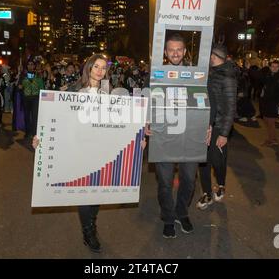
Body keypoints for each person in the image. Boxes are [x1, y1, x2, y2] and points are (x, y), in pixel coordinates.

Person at [32, 54, 145, 253]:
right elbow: (57, 118)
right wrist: (42, 138)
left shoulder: (110, 93)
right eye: (96, 67)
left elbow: (120, 123)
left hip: (100, 148)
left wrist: (136, 141)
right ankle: (89, 231)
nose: (100, 71)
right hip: (78, 148)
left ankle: (91, 221)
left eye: (103, 68)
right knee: (84, 193)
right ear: (89, 68)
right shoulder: (72, 90)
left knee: (95, 192)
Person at [146, 33, 200, 239]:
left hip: (190, 137)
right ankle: (168, 218)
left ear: (185, 51)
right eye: (171, 49)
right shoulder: (155, 75)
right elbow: (146, 100)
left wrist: (209, 125)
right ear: (165, 52)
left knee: (188, 180)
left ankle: (182, 212)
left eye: (179, 49)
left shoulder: (196, 74)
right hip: (163, 137)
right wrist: (146, 122)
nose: (175, 53)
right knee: (165, 183)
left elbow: (206, 100)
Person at [196, 45, 237, 209]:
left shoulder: (228, 76)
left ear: (214, 56)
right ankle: (206, 193)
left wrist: (224, 134)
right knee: (203, 160)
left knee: (218, 161)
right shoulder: (210, 73)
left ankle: (221, 184)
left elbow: (231, 107)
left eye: (209, 55)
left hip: (219, 127)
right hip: (204, 124)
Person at [260, 61, 279, 146]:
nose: (274, 68)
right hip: (267, 101)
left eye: (276, 67)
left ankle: (271, 140)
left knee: (270, 122)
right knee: (266, 120)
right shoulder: (269, 75)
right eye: (273, 66)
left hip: (273, 102)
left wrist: (276, 100)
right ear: (270, 67)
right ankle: (273, 138)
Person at [22, 62, 44, 138]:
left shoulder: (38, 75)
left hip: (35, 98)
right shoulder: (23, 75)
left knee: (35, 116)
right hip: (26, 98)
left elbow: (42, 87)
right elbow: (19, 86)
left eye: (32, 64)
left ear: (34, 66)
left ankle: (34, 133)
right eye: (29, 64)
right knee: (27, 116)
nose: (30, 66)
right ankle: (27, 132)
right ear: (27, 66)